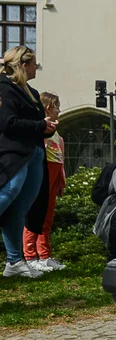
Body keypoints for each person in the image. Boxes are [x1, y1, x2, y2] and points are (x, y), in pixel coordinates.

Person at [0, 46, 58, 279]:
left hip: (34, 153)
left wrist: (45, 128)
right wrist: (39, 125)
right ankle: (15, 260)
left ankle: (14, 261)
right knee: (10, 191)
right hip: (16, 153)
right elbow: (8, 123)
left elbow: (33, 123)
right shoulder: (6, 88)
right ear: (24, 65)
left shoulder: (30, 92)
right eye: (34, 64)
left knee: (20, 208)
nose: (36, 68)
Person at [23, 92, 66, 272]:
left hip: (54, 175)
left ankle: (45, 255)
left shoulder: (57, 134)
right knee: (35, 214)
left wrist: (62, 180)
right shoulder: (39, 130)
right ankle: (30, 255)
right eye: (57, 107)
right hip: (43, 174)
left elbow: (61, 159)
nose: (59, 111)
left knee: (47, 217)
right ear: (48, 108)